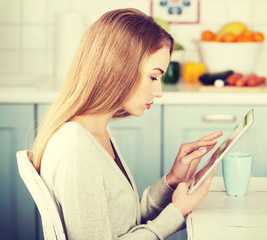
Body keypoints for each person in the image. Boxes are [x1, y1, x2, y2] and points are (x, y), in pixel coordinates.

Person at [31, 8, 223, 240]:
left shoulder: (95, 131)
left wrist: (173, 180)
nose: (159, 91)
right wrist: (176, 212)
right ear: (119, 67)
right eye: (153, 77)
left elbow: (125, 219)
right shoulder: (78, 152)